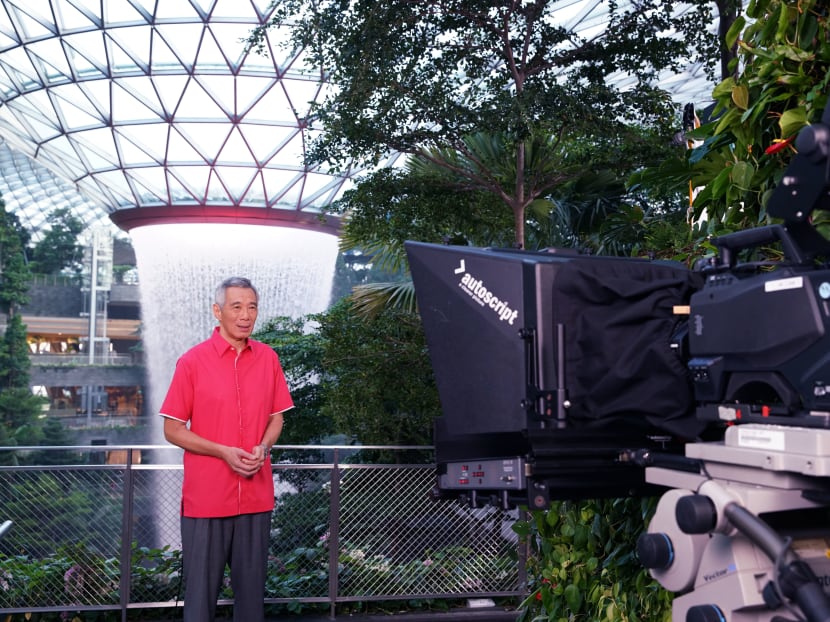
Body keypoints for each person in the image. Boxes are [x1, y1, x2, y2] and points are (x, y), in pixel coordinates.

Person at [160, 276, 293, 622]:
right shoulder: (191, 362)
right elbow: (172, 429)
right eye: (237, 306)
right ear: (217, 311)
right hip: (206, 499)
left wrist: (263, 447)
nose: (245, 314)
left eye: (252, 307)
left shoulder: (268, 359)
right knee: (200, 600)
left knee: (252, 602)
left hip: (256, 495)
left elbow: (276, 419)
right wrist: (223, 452)